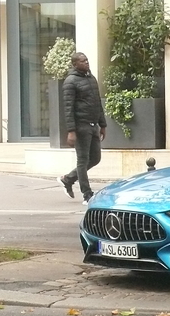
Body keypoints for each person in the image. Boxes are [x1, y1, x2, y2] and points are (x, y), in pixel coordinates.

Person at [56, 52, 107, 205]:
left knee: (95, 158)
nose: (86, 62)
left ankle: (68, 179)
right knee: (83, 160)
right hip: (81, 126)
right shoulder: (70, 82)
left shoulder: (91, 79)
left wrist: (102, 124)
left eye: (87, 60)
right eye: (82, 61)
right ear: (75, 64)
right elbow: (68, 108)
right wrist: (71, 131)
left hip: (93, 125)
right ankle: (87, 194)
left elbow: (97, 103)